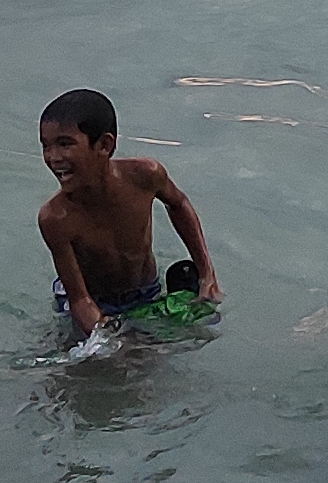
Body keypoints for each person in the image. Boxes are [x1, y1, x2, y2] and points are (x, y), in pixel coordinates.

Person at [36, 89, 223, 345]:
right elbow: (80, 299)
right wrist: (105, 334)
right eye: (46, 145)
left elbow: (179, 204)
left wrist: (206, 273)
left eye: (65, 144)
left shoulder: (145, 175)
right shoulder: (56, 218)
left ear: (104, 145)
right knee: (100, 366)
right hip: (90, 301)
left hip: (146, 289)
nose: (53, 157)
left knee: (195, 333)